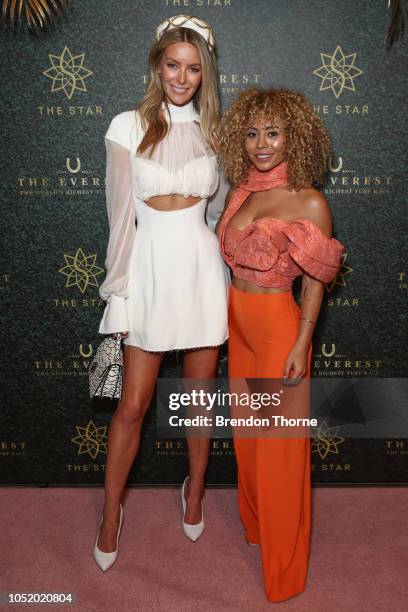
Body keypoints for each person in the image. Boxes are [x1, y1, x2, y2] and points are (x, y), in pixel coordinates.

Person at [93, 15, 230, 572]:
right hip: (148, 268)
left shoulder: (219, 131)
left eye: (193, 68)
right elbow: (120, 216)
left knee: (199, 400)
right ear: (157, 65)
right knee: (133, 406)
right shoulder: (127, 125)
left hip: (200, 269)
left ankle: (193, 491)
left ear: (206, 73)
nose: (182, 77)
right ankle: (109, 514)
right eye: (173, 65)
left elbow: (222, 215)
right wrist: (118, 292)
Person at [217, 87, 344, 603]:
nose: (261, 144)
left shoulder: (308, 200)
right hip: (236, 324)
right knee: (248, 444)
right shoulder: (240, 191)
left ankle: (285, 572)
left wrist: (302, 340)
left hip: (277, 328)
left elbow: (315, 281)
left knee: (281, 452)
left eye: (273, 132)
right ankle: (257, 528)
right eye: (251, 133)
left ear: (294, 135)